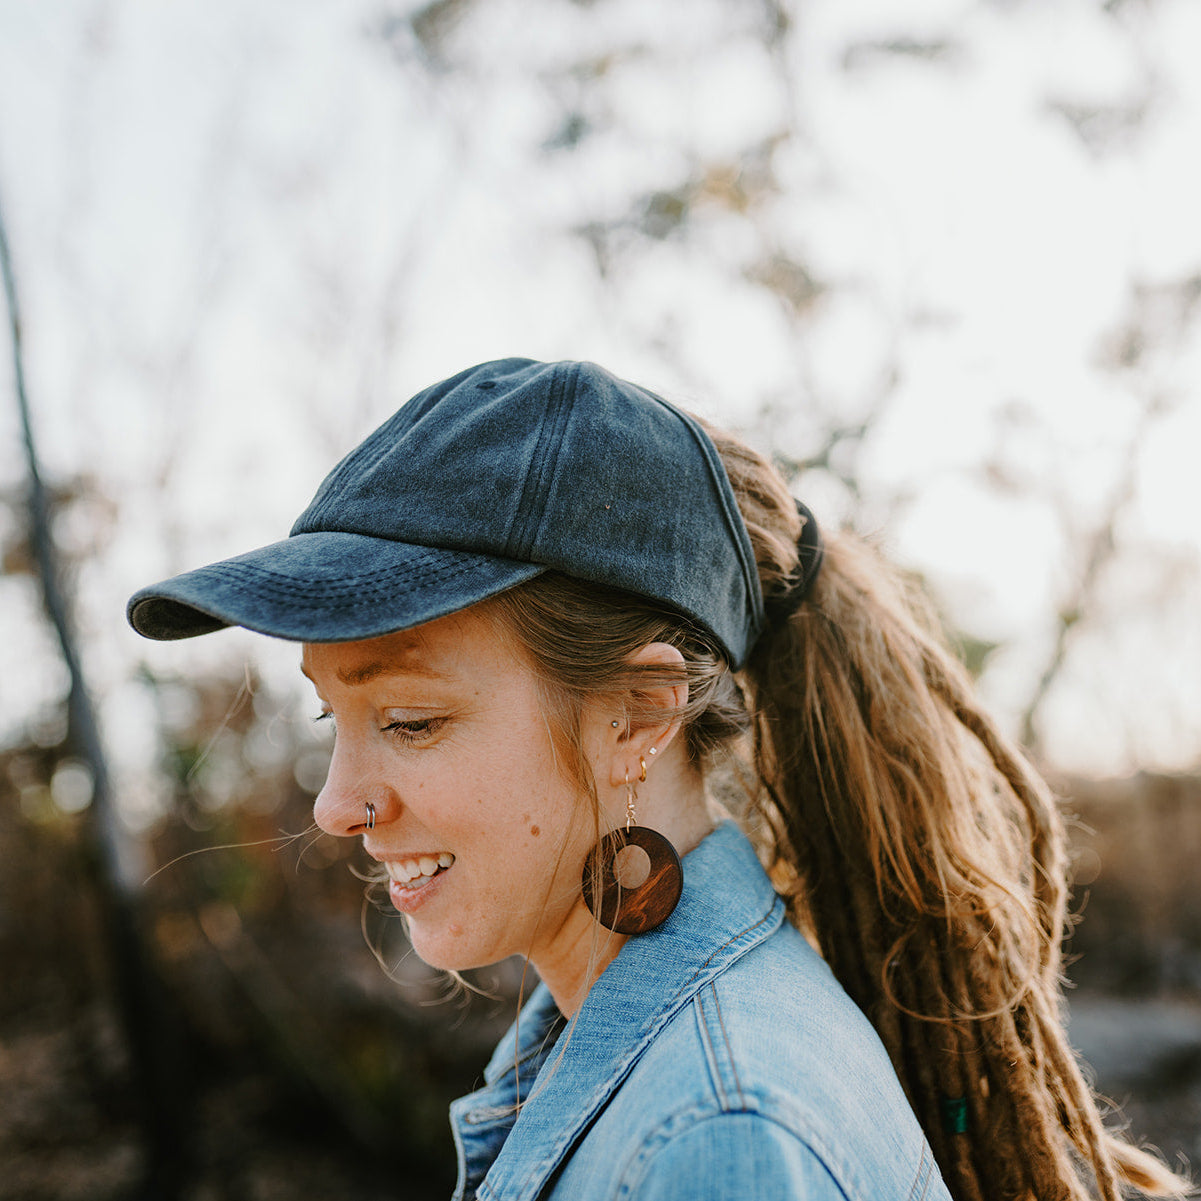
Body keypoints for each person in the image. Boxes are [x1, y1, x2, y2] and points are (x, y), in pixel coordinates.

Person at [128, 358, 1188, 1201]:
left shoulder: (717, 1140)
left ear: (637, 714)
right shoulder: (617, 1038)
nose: (334, 803)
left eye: (408, 719)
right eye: (333, 714)